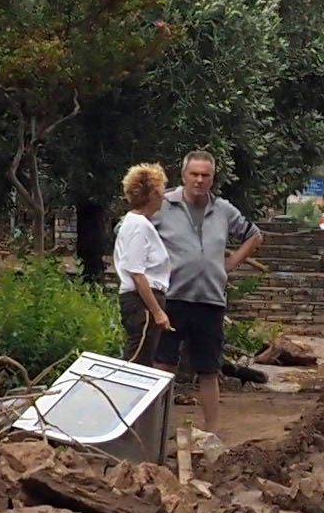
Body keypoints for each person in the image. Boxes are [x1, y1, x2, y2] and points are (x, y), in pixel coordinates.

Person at [157, 147, 258, 427]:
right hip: (172, 298)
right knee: (163, 365)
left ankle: (211, 431)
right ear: (183, 175)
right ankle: (156, 429)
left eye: (205, 175)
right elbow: (131, 230)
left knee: (209, 369)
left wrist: (229, 265)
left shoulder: (223, 210)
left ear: (213, 178)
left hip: (210, 300)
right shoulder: (163, 205)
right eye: (194, 174)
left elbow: (253, 235)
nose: (199, 180)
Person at [110, 162, 172, 363]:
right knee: (136, 361)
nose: (163, 197)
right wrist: (157, 311)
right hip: (141, 302)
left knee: (144, 358)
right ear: (152, 195)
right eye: (160, 191)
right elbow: (137, 273)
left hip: (143, 300)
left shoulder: (139, 223)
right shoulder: (138, 225)